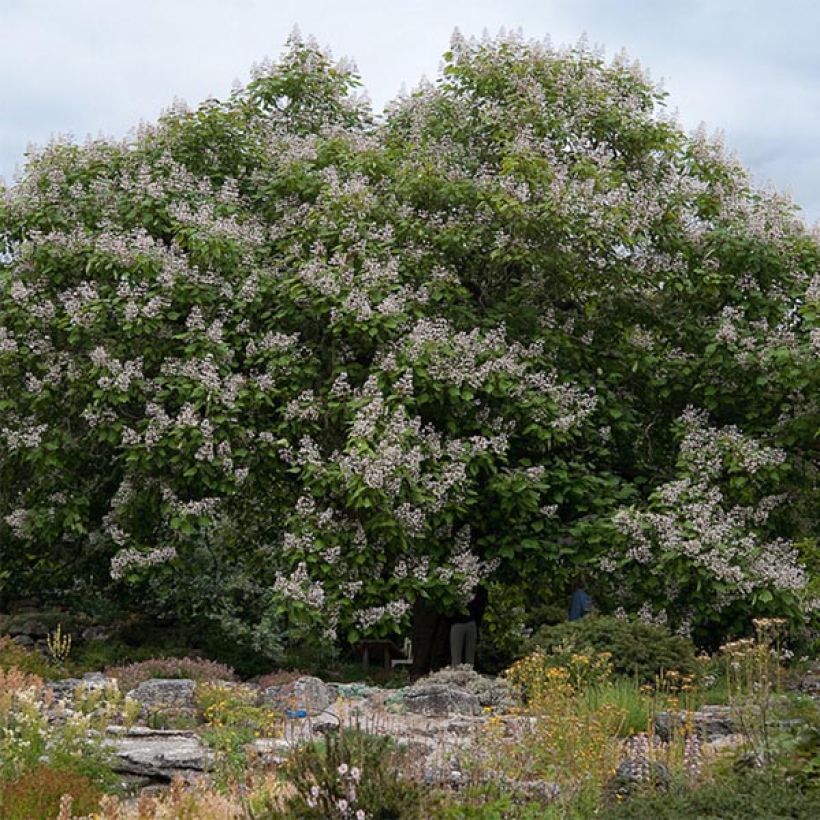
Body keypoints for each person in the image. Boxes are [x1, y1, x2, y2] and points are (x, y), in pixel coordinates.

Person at [449, 586, 488, 668]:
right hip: (457, 623)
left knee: (470, 657)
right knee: (456, 658)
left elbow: (481, 603)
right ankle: (455, 676)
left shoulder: (477, 588)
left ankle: (470, 676)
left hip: (471, 622)